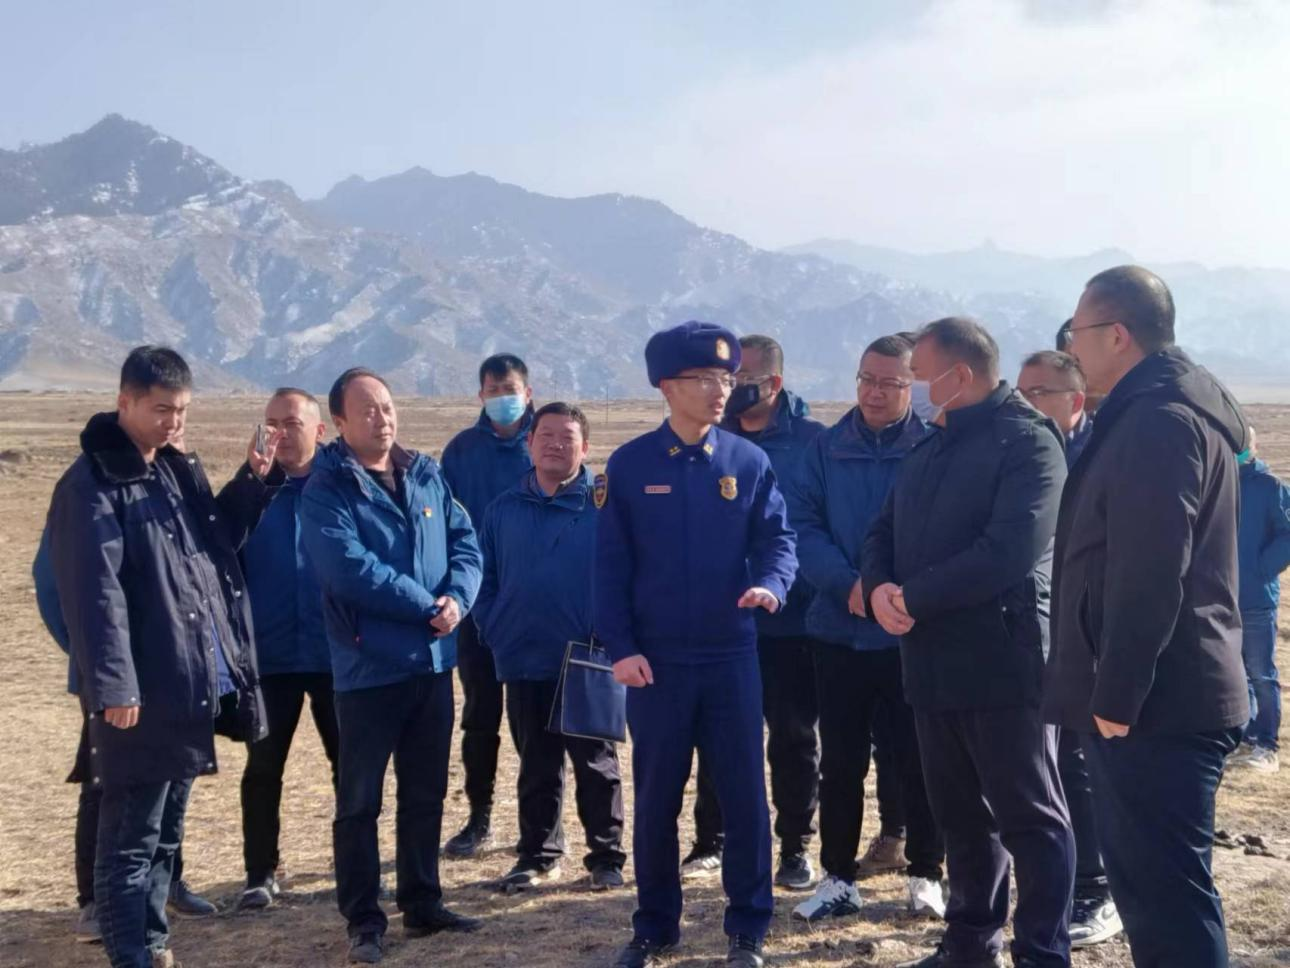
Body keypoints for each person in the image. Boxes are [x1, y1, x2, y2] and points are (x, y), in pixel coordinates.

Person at [1046, 266, 1251, 968]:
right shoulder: (1161, 410)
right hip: (1165, 696)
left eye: (1076, 333)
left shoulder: (1158, 422)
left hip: (1157, 705)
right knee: (1160, 896)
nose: (1070, 348)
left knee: (1167, 904)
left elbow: (1151, 570)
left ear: (1117, 335)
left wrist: (1117, 695)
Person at [45, 346, 272, 968]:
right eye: (162, 409)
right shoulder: (91, 486)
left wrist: (253, 481)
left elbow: (214, 547)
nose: (174, 422)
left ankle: (151, 942)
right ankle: (132, 955)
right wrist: (114, 685)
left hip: (187, 680)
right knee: (129, 839)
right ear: (125, 402)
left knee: (163, 831)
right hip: (141, 691)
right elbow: (95, 595)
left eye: (182, 410)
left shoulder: (170, 471)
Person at [862, 318, 1075, 968]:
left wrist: (911, 598)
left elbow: (1007, 551)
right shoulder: (930, 448)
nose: (916, 389)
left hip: (1004, 664)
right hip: (931, 664)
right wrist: (878, 588)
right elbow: (883, 530)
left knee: (1030, 818)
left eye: (922, 376)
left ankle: (1042, 952)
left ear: (960, 375)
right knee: (960, 817)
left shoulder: (1029, 444)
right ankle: (970, 945)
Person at [596, 320, 797, 968]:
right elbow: (609, 568)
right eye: (705, 378)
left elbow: (778, 540)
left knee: (744, 797)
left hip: (730, 657)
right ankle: (655, 926)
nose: (720, 390)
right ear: (667, 386)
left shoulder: (747, 462)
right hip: (655, 664)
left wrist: (771, 584)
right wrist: (621, 648)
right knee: (657, 800)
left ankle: (748, 928)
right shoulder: (630, 466)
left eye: (726, 378)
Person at [301, 367, 484, 964]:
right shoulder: (328, 488)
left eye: (386, 406)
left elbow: (465, 542)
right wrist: (427, 606)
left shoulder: (425, 474)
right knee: (360, 801)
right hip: (369, 669)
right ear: (339, 422)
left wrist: (458, 597)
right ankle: (363, 919)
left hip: (431, 664)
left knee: (425, 792)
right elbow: (348, 568)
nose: (381, 418)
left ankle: (422, 901)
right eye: (367, 410)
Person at [788, 334, 946, 925]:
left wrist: (906, 595)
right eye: (867, 380)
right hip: (840, 630)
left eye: (890, 383)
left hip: (911, 632)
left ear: (913, 387)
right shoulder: (825, 449)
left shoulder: (932, 447)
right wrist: (849, 586)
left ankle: (926, 873)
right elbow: (803, 527)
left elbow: (948, 530)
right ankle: (838, 877)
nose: (875, 393)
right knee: (841, 762)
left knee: (919, 760)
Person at [683, 335, 824, 890]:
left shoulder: (813, 443)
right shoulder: (707, 438)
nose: (734, 389)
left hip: (791, 621)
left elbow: (815, 525)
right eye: (729, 378)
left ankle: (795, 846)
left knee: (793, 737)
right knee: (717, 735)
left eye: (747, 380)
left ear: (775, 384)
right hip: (720, 619)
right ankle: (711, 841)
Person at [472, 402, 627, 892]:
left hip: (587, 657)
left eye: (567, 437)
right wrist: (495, 627)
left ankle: (606, 858)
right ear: (530, 442)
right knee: (536, 764)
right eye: (547, 435)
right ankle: (538, 855)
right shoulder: (503, 508)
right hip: (523, 655)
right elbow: (483, 578)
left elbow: (630, 574)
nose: (556, 445)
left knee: (596, 765)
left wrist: (613, 634)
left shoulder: (606, 507)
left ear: (586, 447)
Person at [1016, 350, 1119, 947]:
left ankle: (1096, 888)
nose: (1026, 404)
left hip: (1090, 633)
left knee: (1081, 765)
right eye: (1021, 392)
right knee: (1044, 766)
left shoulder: (1102, 455)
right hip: (1034, 632)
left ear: (1075, 400)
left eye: (1040, 394)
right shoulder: (1020, 451)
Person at [237, 388, 341, 910]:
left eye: (292, 423)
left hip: (336, 654)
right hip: (270, 656)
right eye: (271, 422)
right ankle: (260, 872)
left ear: (319, 430)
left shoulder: (343, 485)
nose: (279, 432)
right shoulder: (252, 490)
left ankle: (356, 865)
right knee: (262, 768)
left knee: (351, 766)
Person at [440, 353, 536, 858]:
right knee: (480, 716)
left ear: (528, 391)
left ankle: (539, 823)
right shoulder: (461, 451)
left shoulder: (544, 441)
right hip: (475, 605)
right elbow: (444, 525)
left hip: (532, 608)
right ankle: (479, 816)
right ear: (480, 395)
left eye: (510, 388)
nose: (503, 398)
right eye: (494, 389)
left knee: (531, 721)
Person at [1232, 426, 1289, 773]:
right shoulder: (1219, 483)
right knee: (1235, 673)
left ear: (1254, 445)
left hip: (1255, 598)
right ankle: (1246, 734)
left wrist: (1262, 568)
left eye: (1243, 443)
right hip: (1223, 598)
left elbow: (1288, 534)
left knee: (1261, 674)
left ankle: (1268, 745)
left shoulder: (1271, 487)